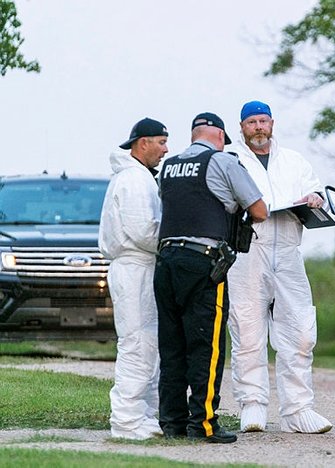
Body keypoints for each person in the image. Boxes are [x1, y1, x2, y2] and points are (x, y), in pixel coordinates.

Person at [154, 112, 268, 443]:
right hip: (203, 263)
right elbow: (259, 210)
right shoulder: (222, 161)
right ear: (218, 136)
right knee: (208, 344)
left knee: (172, 344)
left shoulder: (170, 166)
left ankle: (172, 423)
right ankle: (202, 424)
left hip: (165, 262)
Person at [226, 100, 332, 434]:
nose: (258, 127)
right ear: (241, 127)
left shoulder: (293, 160)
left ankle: (298, 408)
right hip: (248, 249)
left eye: (263, 121)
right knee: (246, 327)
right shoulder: (232, 160)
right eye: (251, 122)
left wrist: (314, 198)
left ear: (272, 123)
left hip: (288, 249)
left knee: (300, 328)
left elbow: (315, 191)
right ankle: (252, 404)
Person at [99, 117, 169, 440]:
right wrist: (173, 239)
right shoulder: (134, 181)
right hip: (134, 267)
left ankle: (142, 415)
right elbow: (144, 231)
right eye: (161, 142)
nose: (166, 149)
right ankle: (126, 420)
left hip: (140, 267)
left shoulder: (139, 177)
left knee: (147, 342)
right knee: (137, 343)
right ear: (143, 143)